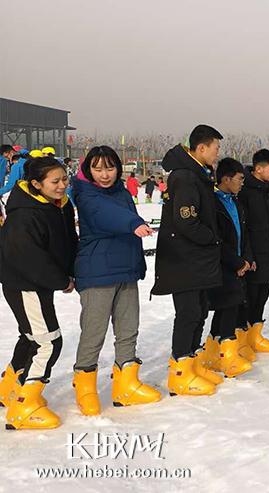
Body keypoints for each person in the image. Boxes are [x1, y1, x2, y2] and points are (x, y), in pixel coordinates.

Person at [70, 146, 161, 416]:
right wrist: (133, 222)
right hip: (97, 271)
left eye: (109, 168)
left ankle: (126, 384)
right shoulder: (85, 194)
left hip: (125, 269)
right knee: (93, 332)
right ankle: (84, 387)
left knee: (128, 328)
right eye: (98, 168)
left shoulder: (121, 191)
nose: (105, 174)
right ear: (89, 170)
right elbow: (104, 214)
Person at [0, 157, 78, 429]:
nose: (62, 186)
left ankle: (9, 387)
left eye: (64, 180)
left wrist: (70, 271)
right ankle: (25, 405)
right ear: (36, 184)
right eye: (55, 182)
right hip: (25, 284)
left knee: (31, 336)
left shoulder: (56, 206)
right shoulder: (26, 215)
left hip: (39, 283)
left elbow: (67, 241)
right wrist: (60, 280)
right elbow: (29, 257)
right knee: (48, 342)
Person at [151, 124, 224, 397]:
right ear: (201, 148)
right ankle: (180, 371)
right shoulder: (185, 176)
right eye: (215, 149)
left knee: (200, 309)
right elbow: (186, 220)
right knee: (188, 313)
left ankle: (192, 362)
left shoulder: (200, 174)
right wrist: (212, 238)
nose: (217, 154)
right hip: (184, 258)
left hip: (198, 258)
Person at [206, 158, 254, 378]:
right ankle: (226, 356)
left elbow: (243, 235)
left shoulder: (236, 202)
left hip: (238, 263)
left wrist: (247, 259)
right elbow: (217, 240)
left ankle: (214, 353)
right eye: (239, 179)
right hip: (222, 264)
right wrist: (236, 262)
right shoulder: (213, 203)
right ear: (226, 179)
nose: (242, 183)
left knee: (230, 305)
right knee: (228, 305)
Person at [236, 149, 269, 359]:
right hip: (253, 254)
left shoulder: (267, 189)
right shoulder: (245, 192)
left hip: (268, 252)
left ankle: (255, 335)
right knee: (250, 297)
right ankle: (241, 340)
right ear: (259, 168)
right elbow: (244, 228)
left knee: (263, 294)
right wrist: (249, 255)